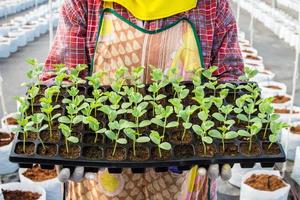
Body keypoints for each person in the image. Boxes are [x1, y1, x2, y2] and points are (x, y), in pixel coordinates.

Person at [42, 0, 244, 199]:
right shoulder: (84, 4)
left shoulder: (212, 6)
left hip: (185, 164)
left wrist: (224, 138)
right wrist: (62, 136)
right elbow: (64, 78)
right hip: (99, 168)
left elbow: (229, 76)